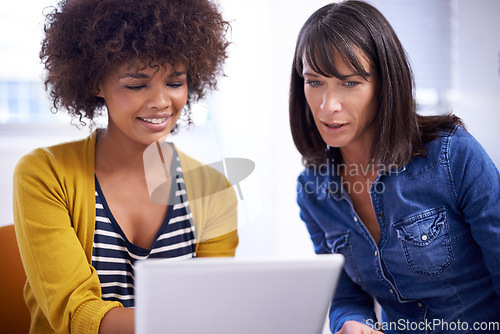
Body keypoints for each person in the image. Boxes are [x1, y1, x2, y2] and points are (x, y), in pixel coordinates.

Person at [12, 0, 238, 333]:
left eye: (175, 83)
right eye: (136, 84)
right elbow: (77, 315)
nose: (162, 102)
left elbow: (212, 306)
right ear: (95, 81)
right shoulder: (45, 175)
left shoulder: (213, 189)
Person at [289, 1, 500, 333]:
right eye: (314, 82)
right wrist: (351, 323)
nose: (328, 106)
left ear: (384, 85)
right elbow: (346, 299)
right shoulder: (313, 190)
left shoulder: (453, 155)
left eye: (350, 82)